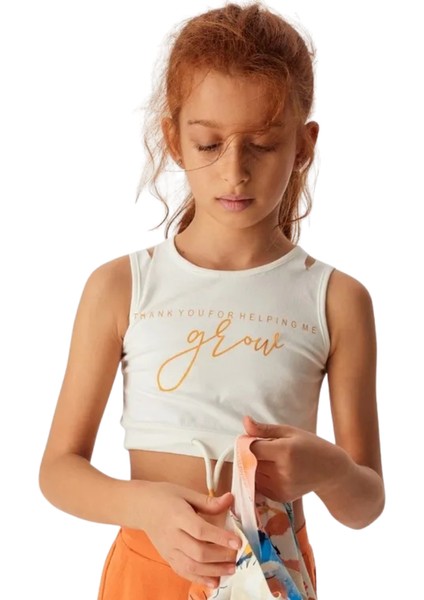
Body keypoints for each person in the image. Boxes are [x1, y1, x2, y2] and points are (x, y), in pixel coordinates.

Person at [38, 2, 385, 598]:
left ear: (304, 145)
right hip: (147, 573)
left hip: (274, 576)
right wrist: (145, 506)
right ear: (173, 139)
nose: (235, 171)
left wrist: (328, 469)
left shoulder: (337, 300)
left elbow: (366, 505)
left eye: (263, 145)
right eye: (208, 144)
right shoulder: (120, 287)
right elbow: (58, 470)